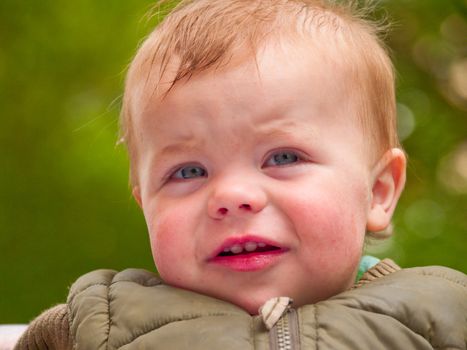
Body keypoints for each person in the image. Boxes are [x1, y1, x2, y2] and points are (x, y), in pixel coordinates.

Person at [14, 0, 467, 349]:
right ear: (145, 207)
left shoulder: (440, 314)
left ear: (377, 191)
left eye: (283, 158)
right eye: (188, 171)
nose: (231, 195)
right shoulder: (100, 323)